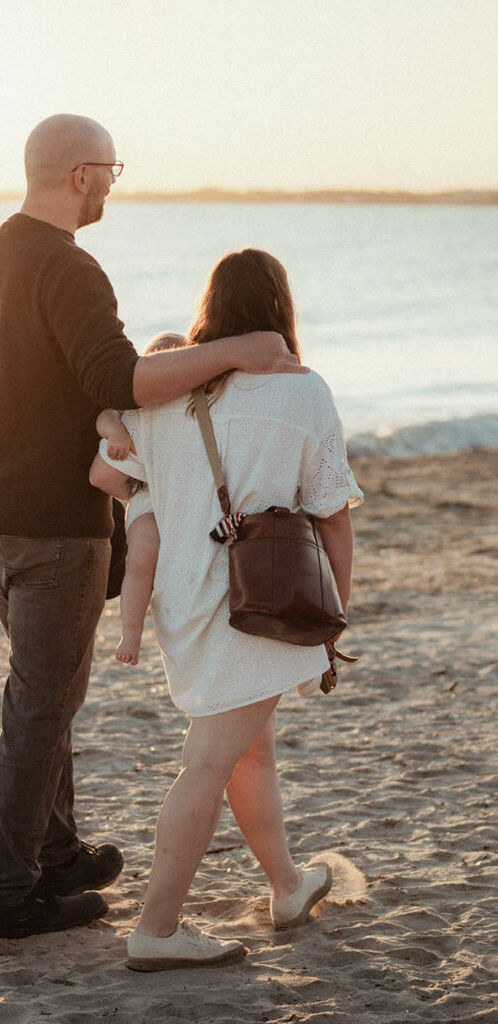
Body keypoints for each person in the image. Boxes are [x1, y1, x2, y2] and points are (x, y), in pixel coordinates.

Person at [0, 115, 308, 941]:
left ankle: (57, 854)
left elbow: (39, 374)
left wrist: (100, 408)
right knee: (40, 705)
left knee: (49, 694)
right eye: (109, 168)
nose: (113, 182)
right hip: (51, 521)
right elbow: (126, 375)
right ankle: (9, 895)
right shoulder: (70, 267)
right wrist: (234, 352)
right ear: (80, 175)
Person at [90, 247, 363, 970]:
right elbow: (330, 511)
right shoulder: (302, 392)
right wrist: (337, 605)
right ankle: (156, 928)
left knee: (247, 745)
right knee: (208, 760)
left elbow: (105, 474)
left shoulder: (161, 395)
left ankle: (285, 885)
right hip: (261, 597)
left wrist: (162, 500)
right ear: (279, 311)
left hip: (184, 597)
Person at [96, 333, 185, 665]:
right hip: (146, 495)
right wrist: (116, 432)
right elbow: (104, 417)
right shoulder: (133, 404)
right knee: (140, 561)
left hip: (183, 492)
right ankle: (131, 632)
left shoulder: (193, 403)